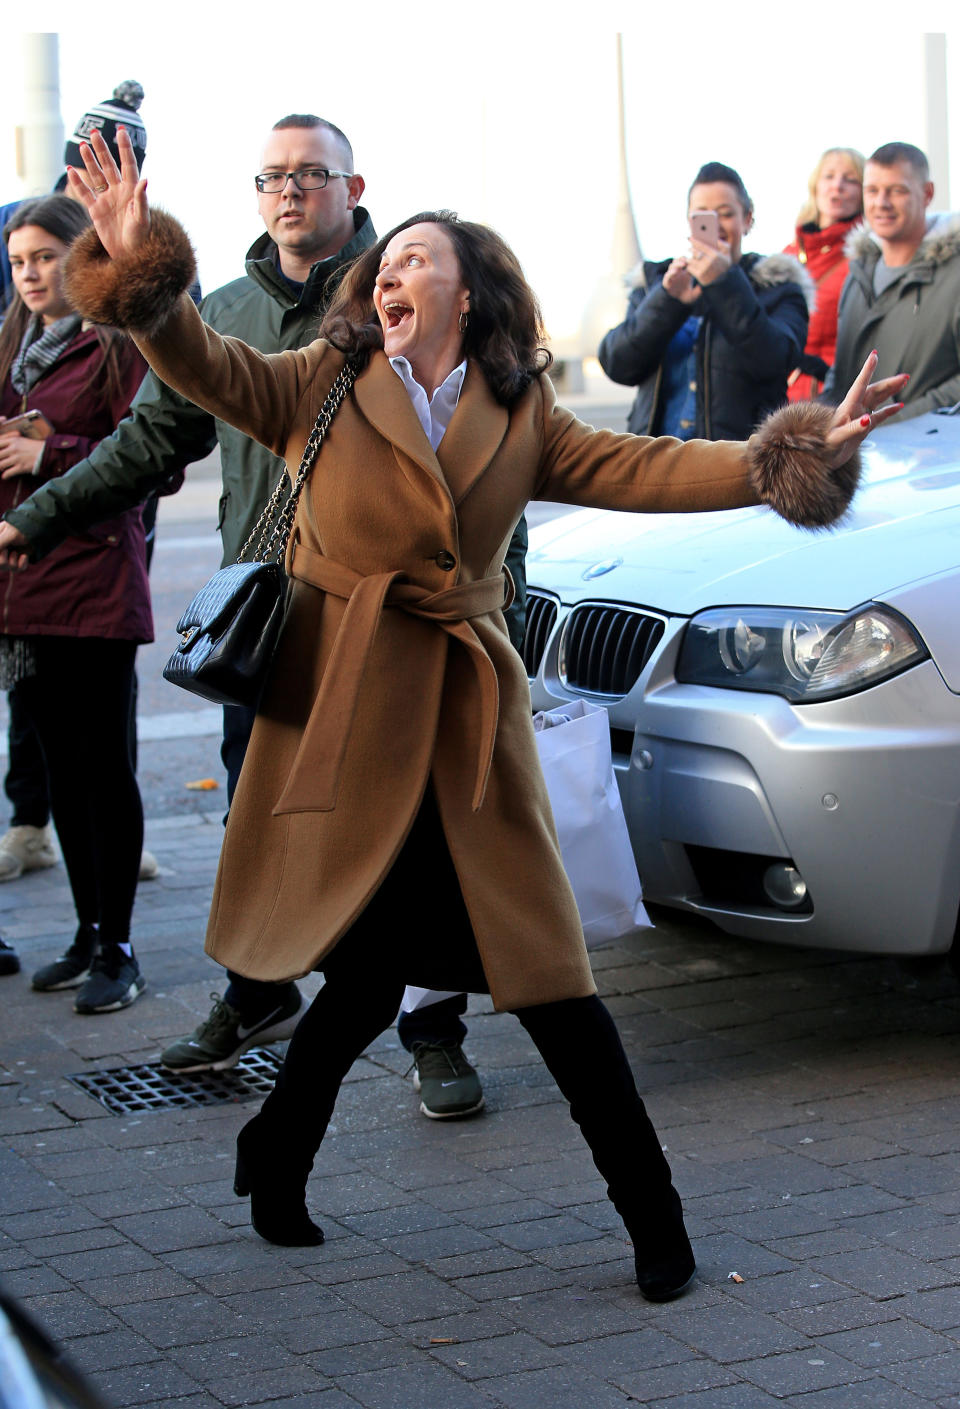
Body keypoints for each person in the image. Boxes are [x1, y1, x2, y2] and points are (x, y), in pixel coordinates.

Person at [45, 128, 905, 1301]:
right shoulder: (316, 380)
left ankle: (653, 1221)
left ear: (472, 286)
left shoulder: (522, 409)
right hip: (347, 718)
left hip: (468, 727)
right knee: (367, 966)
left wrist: (794, 454)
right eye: (384, 262)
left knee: (547, 972)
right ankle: (280, 1147)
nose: (392, 274)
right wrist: (139, 269)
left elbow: (648, 465)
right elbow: (200, 363)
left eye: (416, 258)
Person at [0, 114, 502, 1116]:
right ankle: (256, 990)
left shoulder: (404, 298)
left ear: (355, 191)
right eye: (272, 175)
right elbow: (148, 443)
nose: (289, 191)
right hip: (268, 622)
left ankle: (432, 1031)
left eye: (311, 174)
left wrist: (500, 608)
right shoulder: (222, 309)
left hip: (400, 617)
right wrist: (35, 522)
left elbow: (486, 466)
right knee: (258, 818)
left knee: (425, 830)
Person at [0, 80, 156, 887]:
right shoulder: (15, 333)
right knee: (53, 749)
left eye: (42, 260)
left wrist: (47, 452)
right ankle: (49, 851)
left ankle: (114, 935)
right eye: (17, 261)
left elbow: (154, 440)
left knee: (101, 755)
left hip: (96, 561)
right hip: (26, 572)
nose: (28, 274)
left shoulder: (125, 312)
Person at [598, 162, 812, 441]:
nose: (715, 225)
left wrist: (724, 284)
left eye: (725, 214)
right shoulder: (657, 282)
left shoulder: (778, 286)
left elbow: (776, 361)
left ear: (747, 219)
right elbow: (617, 363)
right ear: (689, 222)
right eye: (701, 216)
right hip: (657, 464)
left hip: (739, 466)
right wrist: (668, 301)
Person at [825, 142, 960, 418]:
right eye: (872, 191)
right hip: (857, 454)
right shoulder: (857, 276)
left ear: (927, 193)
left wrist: (894, 420)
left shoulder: (954, 275)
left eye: (897, 191)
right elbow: (840, 376)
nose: (881, 203)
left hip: (936, 456)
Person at [783, 148, 863, 402]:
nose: (837, 186)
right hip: (778, 399)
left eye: (850, 179)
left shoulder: (867, 258)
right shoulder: (787, 255)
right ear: (815, 185)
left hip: (833, 399)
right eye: (829, 176)